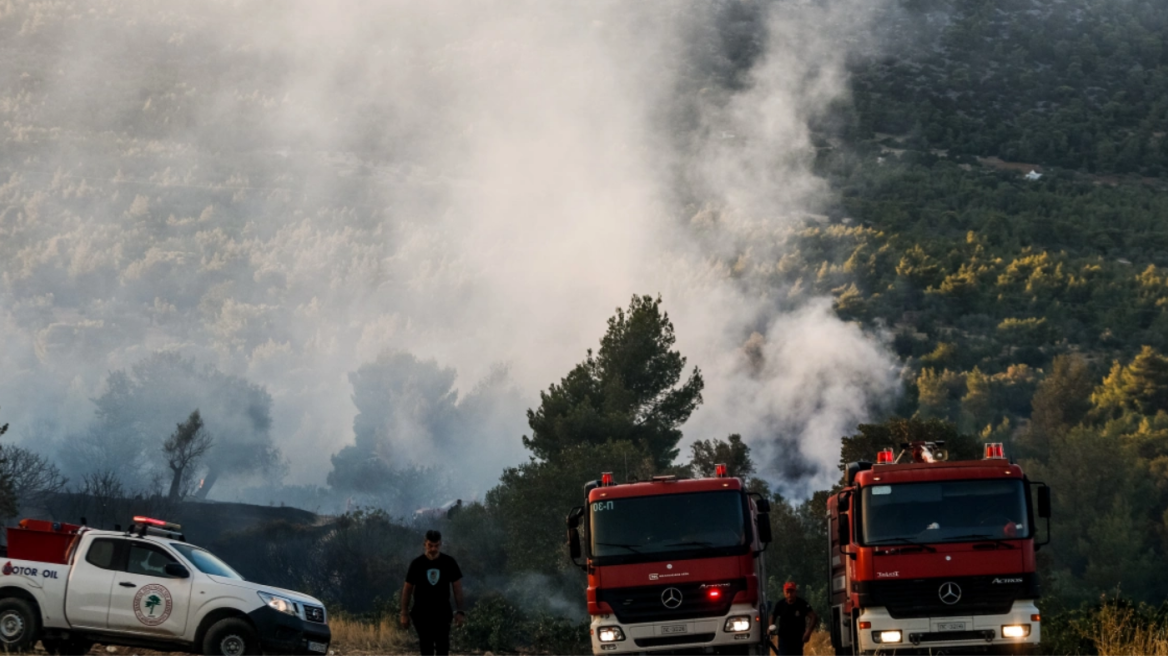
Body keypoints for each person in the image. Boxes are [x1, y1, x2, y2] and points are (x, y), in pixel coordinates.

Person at [400, 530, 466, 655]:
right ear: (425, 544)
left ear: (441, 544)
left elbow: (457, 588)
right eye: (430, 545)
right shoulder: (417, 564)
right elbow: (407, 589)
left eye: (436, 546)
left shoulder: (449, 562)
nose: (433, 549)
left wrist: (460, 611)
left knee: (443, 647)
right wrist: (404, 613)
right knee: (426, 647)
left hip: (442, 612)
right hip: (421, 612)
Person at [769, 582, 817, 656]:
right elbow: (773, 616)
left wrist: (808, 632)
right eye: (787, 592)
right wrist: (770, 628)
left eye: (792, 591)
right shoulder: (780, 604)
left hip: (797, 638)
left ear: (795, 592)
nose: (789, 594)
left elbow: (813, 616)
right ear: (784, 592)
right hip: (783, 638)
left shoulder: (802, 603)